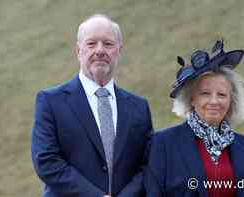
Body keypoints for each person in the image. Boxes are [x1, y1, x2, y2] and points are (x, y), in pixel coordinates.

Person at [31, 14, 153, 197]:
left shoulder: (139, 108)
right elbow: (46, 161)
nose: (100, 50)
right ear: (78, 50)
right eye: (91, 43)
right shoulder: (51, 102)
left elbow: (149, 165)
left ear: (119, 50)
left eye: (108, 44)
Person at [144, 40, 244, 197]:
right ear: (191, 99)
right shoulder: (163, 144)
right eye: (205, 93)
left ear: (231, 101)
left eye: (221, 95)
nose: (214, 101)